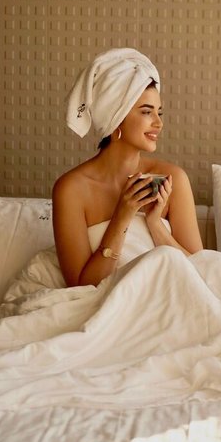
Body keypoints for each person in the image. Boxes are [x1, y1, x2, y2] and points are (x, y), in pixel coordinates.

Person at [53, 48, 203, 287]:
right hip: (109, 301)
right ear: (116, 118)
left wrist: (155, 225)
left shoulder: (173, 178)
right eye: (147, 112)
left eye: (159, 112)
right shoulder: (71, 189)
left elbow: (203, 271)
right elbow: (80, 288)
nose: (159, 123)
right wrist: (122, 216)